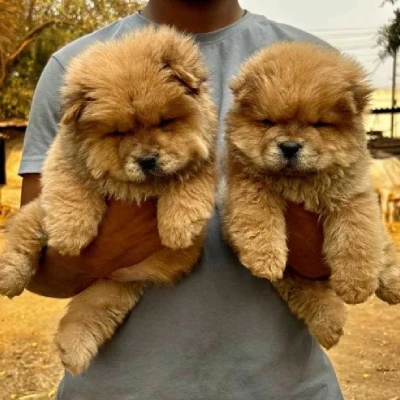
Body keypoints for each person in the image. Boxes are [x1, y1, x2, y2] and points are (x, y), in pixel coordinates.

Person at [19, 0, 343, 398]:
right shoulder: (72, 72)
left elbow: (347, 250)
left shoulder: (317, 64)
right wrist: (111, 247)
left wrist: (275, 219)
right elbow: (37, 269)